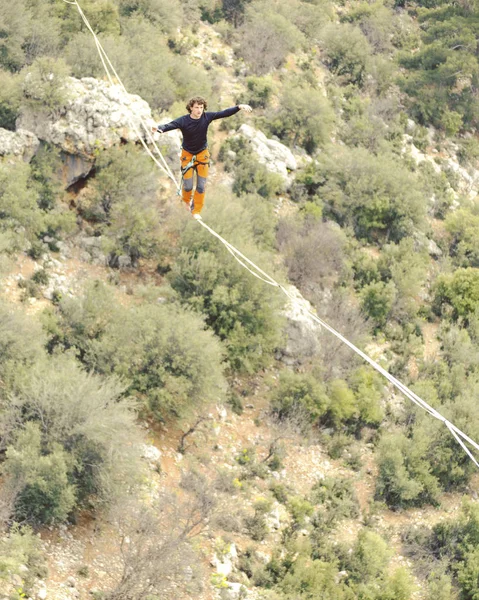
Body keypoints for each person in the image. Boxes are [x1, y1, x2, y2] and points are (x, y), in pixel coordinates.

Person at [152, 97, 252, 218]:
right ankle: (186, 200)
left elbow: (223, 113)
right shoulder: (184, 120)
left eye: (201, 107)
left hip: (202, 154)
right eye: (196, 107)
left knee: (201, 186)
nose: (199, 110)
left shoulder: (207, 117)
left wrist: (238, 107)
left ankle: (196, 210)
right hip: (187, 155)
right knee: (188, 186)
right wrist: (159, 128)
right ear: (191, 108)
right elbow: (171, 125)